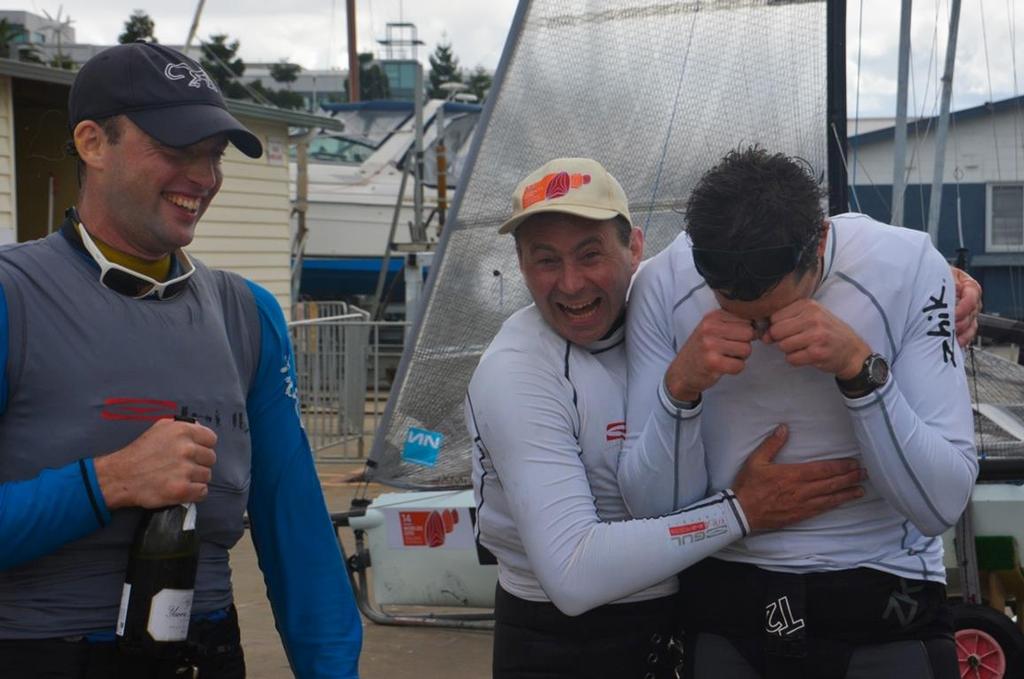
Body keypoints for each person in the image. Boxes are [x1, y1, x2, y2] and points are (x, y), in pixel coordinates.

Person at [0, 43, 361, 678]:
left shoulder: (246, 313)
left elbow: (295, 528)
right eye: (176, 149)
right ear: (92, 142)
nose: (204, 177)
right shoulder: (13, 296)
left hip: (208, 653)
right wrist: (106, 482)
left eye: (213, 155)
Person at [467, 157, 875, 679]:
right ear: (521, 265)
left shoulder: (663, 305)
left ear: (635, 248)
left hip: (686, 618)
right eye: (545, 261)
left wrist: (943, 287)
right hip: (563, 643)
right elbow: (573, 573)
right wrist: (742, 511)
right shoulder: (517, 370)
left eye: (590, 254)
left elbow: (810, 233)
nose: (570, 284)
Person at [618, 146, 979, 679]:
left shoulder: (908, 264)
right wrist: (681, 390)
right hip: (727, 596)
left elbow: (941, 503)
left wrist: (861, 369)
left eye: (776, 310)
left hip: (881, 591)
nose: (763, 335)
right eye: (738, 314)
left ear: (822, 241)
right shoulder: (662, 283)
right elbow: (651, 512)